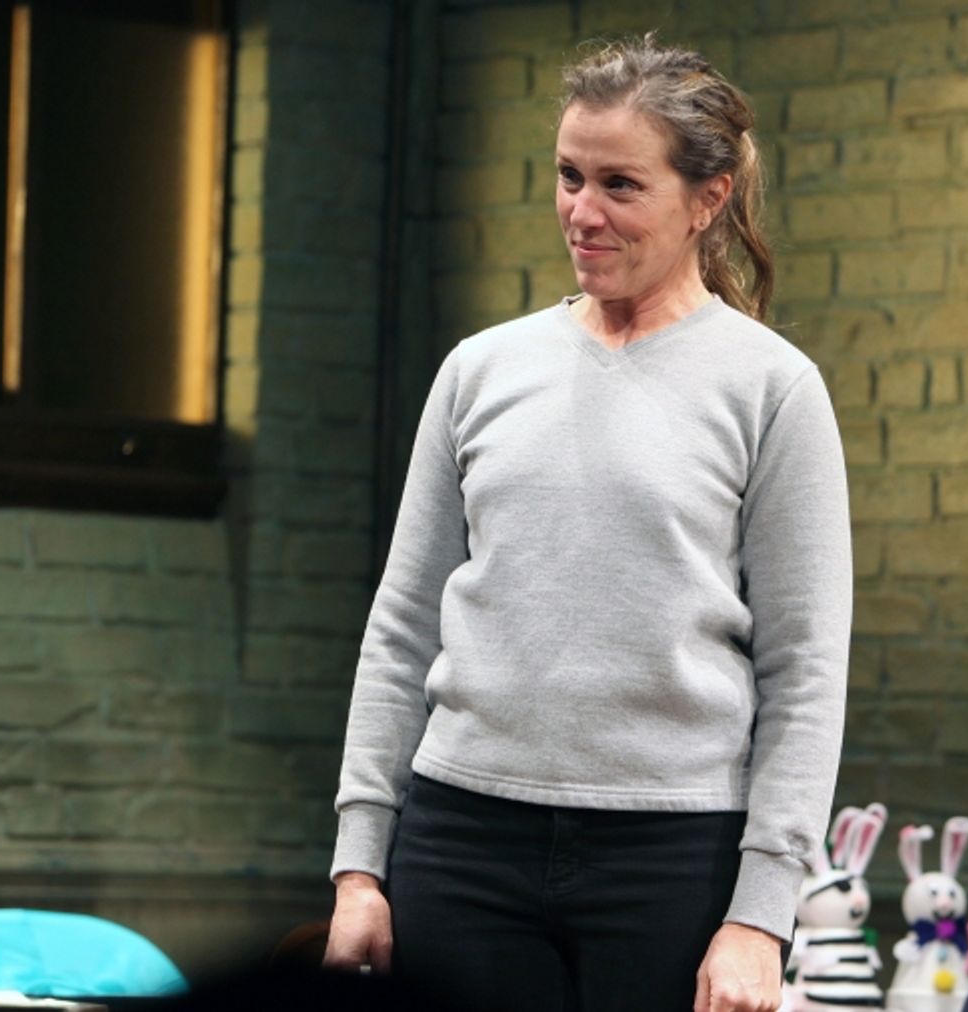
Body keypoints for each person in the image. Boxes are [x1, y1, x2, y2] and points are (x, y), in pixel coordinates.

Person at [323, 34, 852, 1012]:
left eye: (619, 184)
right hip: (461, 841)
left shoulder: (772, 389)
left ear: (710, 197)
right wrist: (359, 862)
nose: (582, 211)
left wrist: (761, 914)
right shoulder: (479, 371)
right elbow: (401, 630)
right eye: (568, 176)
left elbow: (805, 674)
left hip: (670, 857)